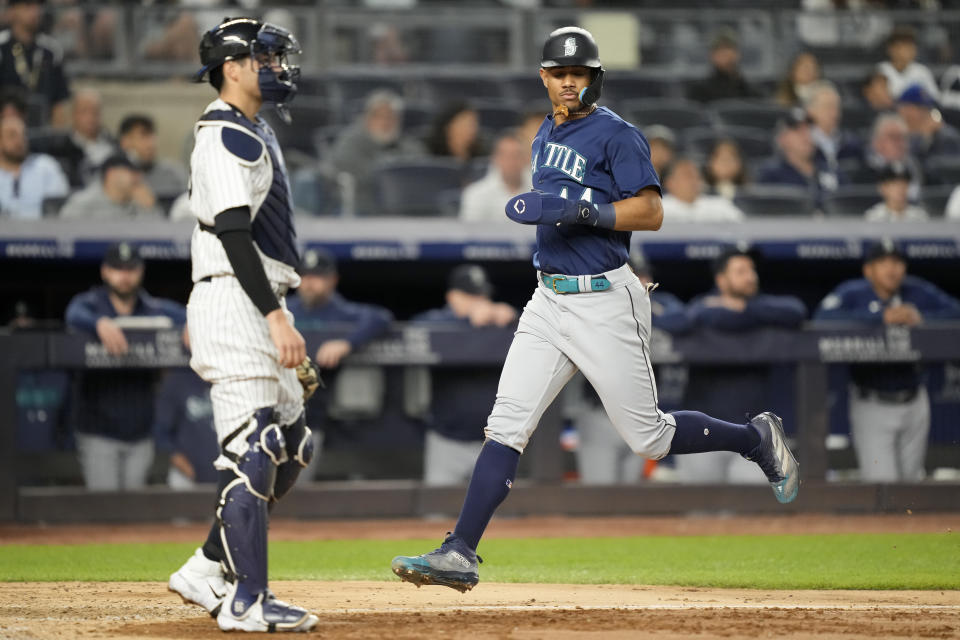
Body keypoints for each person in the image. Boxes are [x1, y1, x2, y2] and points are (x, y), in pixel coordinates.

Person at [391, 26, 799, 594]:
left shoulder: (617, 135)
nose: (567, 83)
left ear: (593, 78)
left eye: (577, 74)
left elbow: (652, 213)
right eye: (558, 74)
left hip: (605, 298)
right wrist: (555, 209)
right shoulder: (541, 133)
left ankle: (754, 438)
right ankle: (460, 549)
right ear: (544, 77)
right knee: (507, 423)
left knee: (649, 438)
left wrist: (581, 211)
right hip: (548, 296)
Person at [165, 17, 318, 633]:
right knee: (253, 448)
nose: (278, 67)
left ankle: (207, 566)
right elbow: (231, 233)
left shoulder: (253, 128)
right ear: (234, 66)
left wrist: (278, 310)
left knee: (291, 442)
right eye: (267, 57)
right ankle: (246, 600)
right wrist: (275, 316)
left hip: (257, 296)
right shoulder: (225, 133)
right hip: (237, 298)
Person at [813, 240, 960, 482]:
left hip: (915, 399)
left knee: (912, 485)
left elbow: (955, 311)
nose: (892, 269)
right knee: (883, 486)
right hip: (873, 401)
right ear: (868, 270)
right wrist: (878, 317)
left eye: (897, 262)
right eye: (883, 263)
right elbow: (822, 319)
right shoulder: (854, 292)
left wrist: (921, 317)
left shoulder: (917, 291)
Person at [676, 247, 807, 484]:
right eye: (740, 271)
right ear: (721, 280)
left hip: (752, 430)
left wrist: (746, 310)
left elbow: (796, 311)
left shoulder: (762, 305)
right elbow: (691, 317)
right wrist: (740, 314)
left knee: (753, 511)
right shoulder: (703, 305)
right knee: (701, 512)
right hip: (705, 428)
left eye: (751, 270)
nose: (750, 276)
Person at [64, 242, 187, 491]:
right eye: (117, 269)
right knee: (105, 508)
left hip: (141, 431)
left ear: (140, 271)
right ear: (105, 272)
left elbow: (185, 315)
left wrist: (191, 323)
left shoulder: (152, 308)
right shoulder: (91, 304)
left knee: (134, 512)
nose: (124, 275)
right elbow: (72, 313)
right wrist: (98, 323)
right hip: (98, 429)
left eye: (130, 269)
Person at [568, 252, 690, 485]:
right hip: (600, 414)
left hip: (641, 415)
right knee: (599, 494)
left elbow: (683, 319)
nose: (642, 280)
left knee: (631, 493)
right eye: (634, 274)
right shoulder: (598, 302)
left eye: (644, 274)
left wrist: (646, 310)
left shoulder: (664, 302)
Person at [412, 264, 517, 486]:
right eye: (469, 295)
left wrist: (514, 318)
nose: (478, 301)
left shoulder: (499, 324)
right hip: (448, 442)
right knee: (436, 514)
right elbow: (414, 329)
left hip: (496, 444)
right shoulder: (437, 322)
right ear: (452, 297)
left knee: (498, 517)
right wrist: (465, 321)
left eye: (481, 295)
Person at [330, 90, 425, 216]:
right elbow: (365, 175)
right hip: (360, 207)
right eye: (379, 116)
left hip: (402, 211)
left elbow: (419, 168)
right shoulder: (349, 142)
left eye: (391, 116)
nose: (385, 122)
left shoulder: (408, 145)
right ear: (368, 118)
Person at [0, 0, 71, 126]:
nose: (35, 11)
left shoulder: (51, 50)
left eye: (37, 5)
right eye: (27, 5)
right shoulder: (2, 47)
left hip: (42, 127)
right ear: (12, 11)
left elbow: (59, 103)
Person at [757, 107, 842, 211]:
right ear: (782, 138)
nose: (805, 135)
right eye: (797, 130)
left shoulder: (831, 170)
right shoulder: (770, 175)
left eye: (809, 129)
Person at [153, 369, 220, 489]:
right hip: (186, 477)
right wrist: (180, 461)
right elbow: (161, 432)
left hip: (227, 476)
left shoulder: (232, 377)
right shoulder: (177, 378)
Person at [0, 113, 69, 218]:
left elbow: (60, 209)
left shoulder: (46, 167)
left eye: (23, 134)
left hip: (43, 231)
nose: (20, 141)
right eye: (12, 135)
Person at [59, 154, 163, 219]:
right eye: (132, 171)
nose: (138, 177)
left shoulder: (139, 202)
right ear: (111, 173)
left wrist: (150, 209)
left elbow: (157, 240)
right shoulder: (83, 203)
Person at [459, 131, 531, 222]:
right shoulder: (475, 194)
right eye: (506, 156)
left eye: (517, 156)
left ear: (526, 159)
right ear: (495, 159)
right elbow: (469, 233)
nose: (511, 162)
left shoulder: (541, 193)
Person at [117, 114, 188, 198]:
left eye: (152, 136)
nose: (151, 143)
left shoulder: (174, 173)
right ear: (125, 141)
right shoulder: (113, 178)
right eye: (143, 136)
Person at [857, 113, 924, 201]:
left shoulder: (917, 168)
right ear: (877, 142)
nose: (899, 143)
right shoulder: (864, 174)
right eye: (893, 137)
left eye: (903, 137)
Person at [661, 157, 745, 222]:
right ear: (669, 183)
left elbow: (744, 230)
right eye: (687, 175)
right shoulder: (658, 209)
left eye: (696, 175)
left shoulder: (720, 206)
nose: (693, 180)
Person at [686, 29, 759, 104]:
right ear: (712, 55)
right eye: (720, 50)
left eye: (729, 48)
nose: (726, 54)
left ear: (737, 54)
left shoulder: (750, 91)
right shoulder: (700, 91)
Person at [805, 81, 862, 168]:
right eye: (827, 107)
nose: (834, 112)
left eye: (837, 107)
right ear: (810, 110)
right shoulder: (803, 144)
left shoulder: (851, 143)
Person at [896, 85, 960, 162]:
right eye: (919, 108)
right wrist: (922, 138)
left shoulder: (945, 136)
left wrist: (926, 139)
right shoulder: (895, 134)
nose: (924, 113)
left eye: (927, 109)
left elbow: (949, 169)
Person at [876, 26, 939, 102]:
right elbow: (880, 101)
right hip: (891, 112)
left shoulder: (922, 71)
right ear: (890, 49)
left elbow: (935, 98)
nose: (907, 51)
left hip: (919, 111)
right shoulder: (881, 70)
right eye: (902, 46)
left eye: (911, 46)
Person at [68, 89, 115, 174]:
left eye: (95, 111)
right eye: (84, 111)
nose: (90, 117)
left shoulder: (114, 145)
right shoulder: (61, 148)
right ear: (74, 114)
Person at [864, 162, 928, 222]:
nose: (900, 189)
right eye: (894, 184)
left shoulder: (919, 216)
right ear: (883, 188)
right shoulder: (873, 217)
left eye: (904, 184)